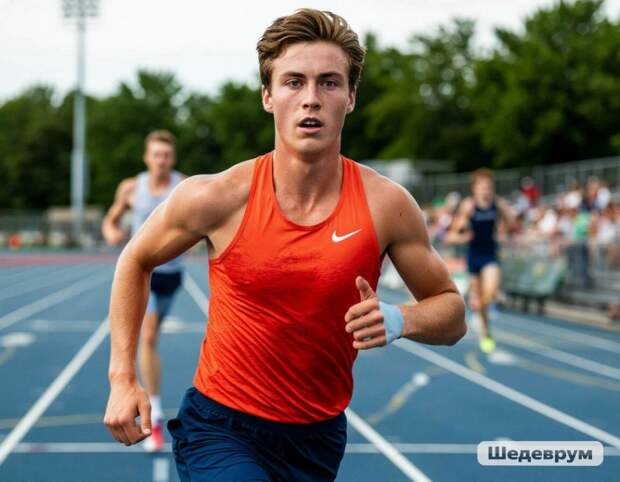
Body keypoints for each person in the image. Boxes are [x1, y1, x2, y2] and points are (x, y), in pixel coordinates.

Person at [103, 9, 466, 481]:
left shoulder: (386, 206)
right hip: (220, 427)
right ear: (268, 96)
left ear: (350, 97)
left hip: (317, 439)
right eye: (294, 82)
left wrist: (400, 319)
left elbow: (452, 312)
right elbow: (135, 258)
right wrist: (121, 376)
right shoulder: (217, 196)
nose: (311, 98)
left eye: (329, 83)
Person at [101, 129, 186, 452]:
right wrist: (111, 231)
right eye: (156, 155)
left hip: (171, 275)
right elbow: (111, 219)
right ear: (147, 157)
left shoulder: (184, 187)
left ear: (172, 159)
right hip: (143, 272)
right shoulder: (131, 188)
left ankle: (153, 405)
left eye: (166, 155)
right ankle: (156, 414)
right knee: (147, 337)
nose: (161, 160)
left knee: (152, 337)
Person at [447, 168, 514, 354]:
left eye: (489, 187)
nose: (486, 190)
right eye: (482, 187)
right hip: (474, 256)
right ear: (474, 189)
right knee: (481, 300)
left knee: (490, 293)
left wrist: (504, 228)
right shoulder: (468, 206)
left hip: (490, 255)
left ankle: (479, 309)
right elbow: (451, 236)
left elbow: (511, 223)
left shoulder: (497, 204)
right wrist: (463, 237)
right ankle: (485, 333)